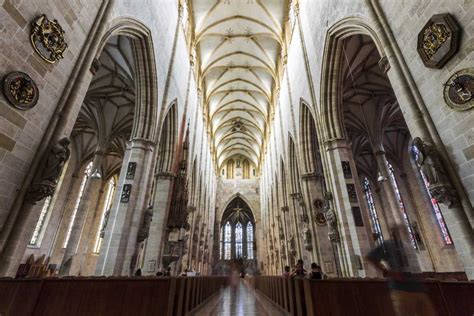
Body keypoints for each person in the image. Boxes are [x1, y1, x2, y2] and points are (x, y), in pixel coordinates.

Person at [366, 234, 436, 316]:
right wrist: (387, 271)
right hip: (401, 288)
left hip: (418, 288)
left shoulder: (408, 245)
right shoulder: (389, 244)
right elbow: (371, 256)